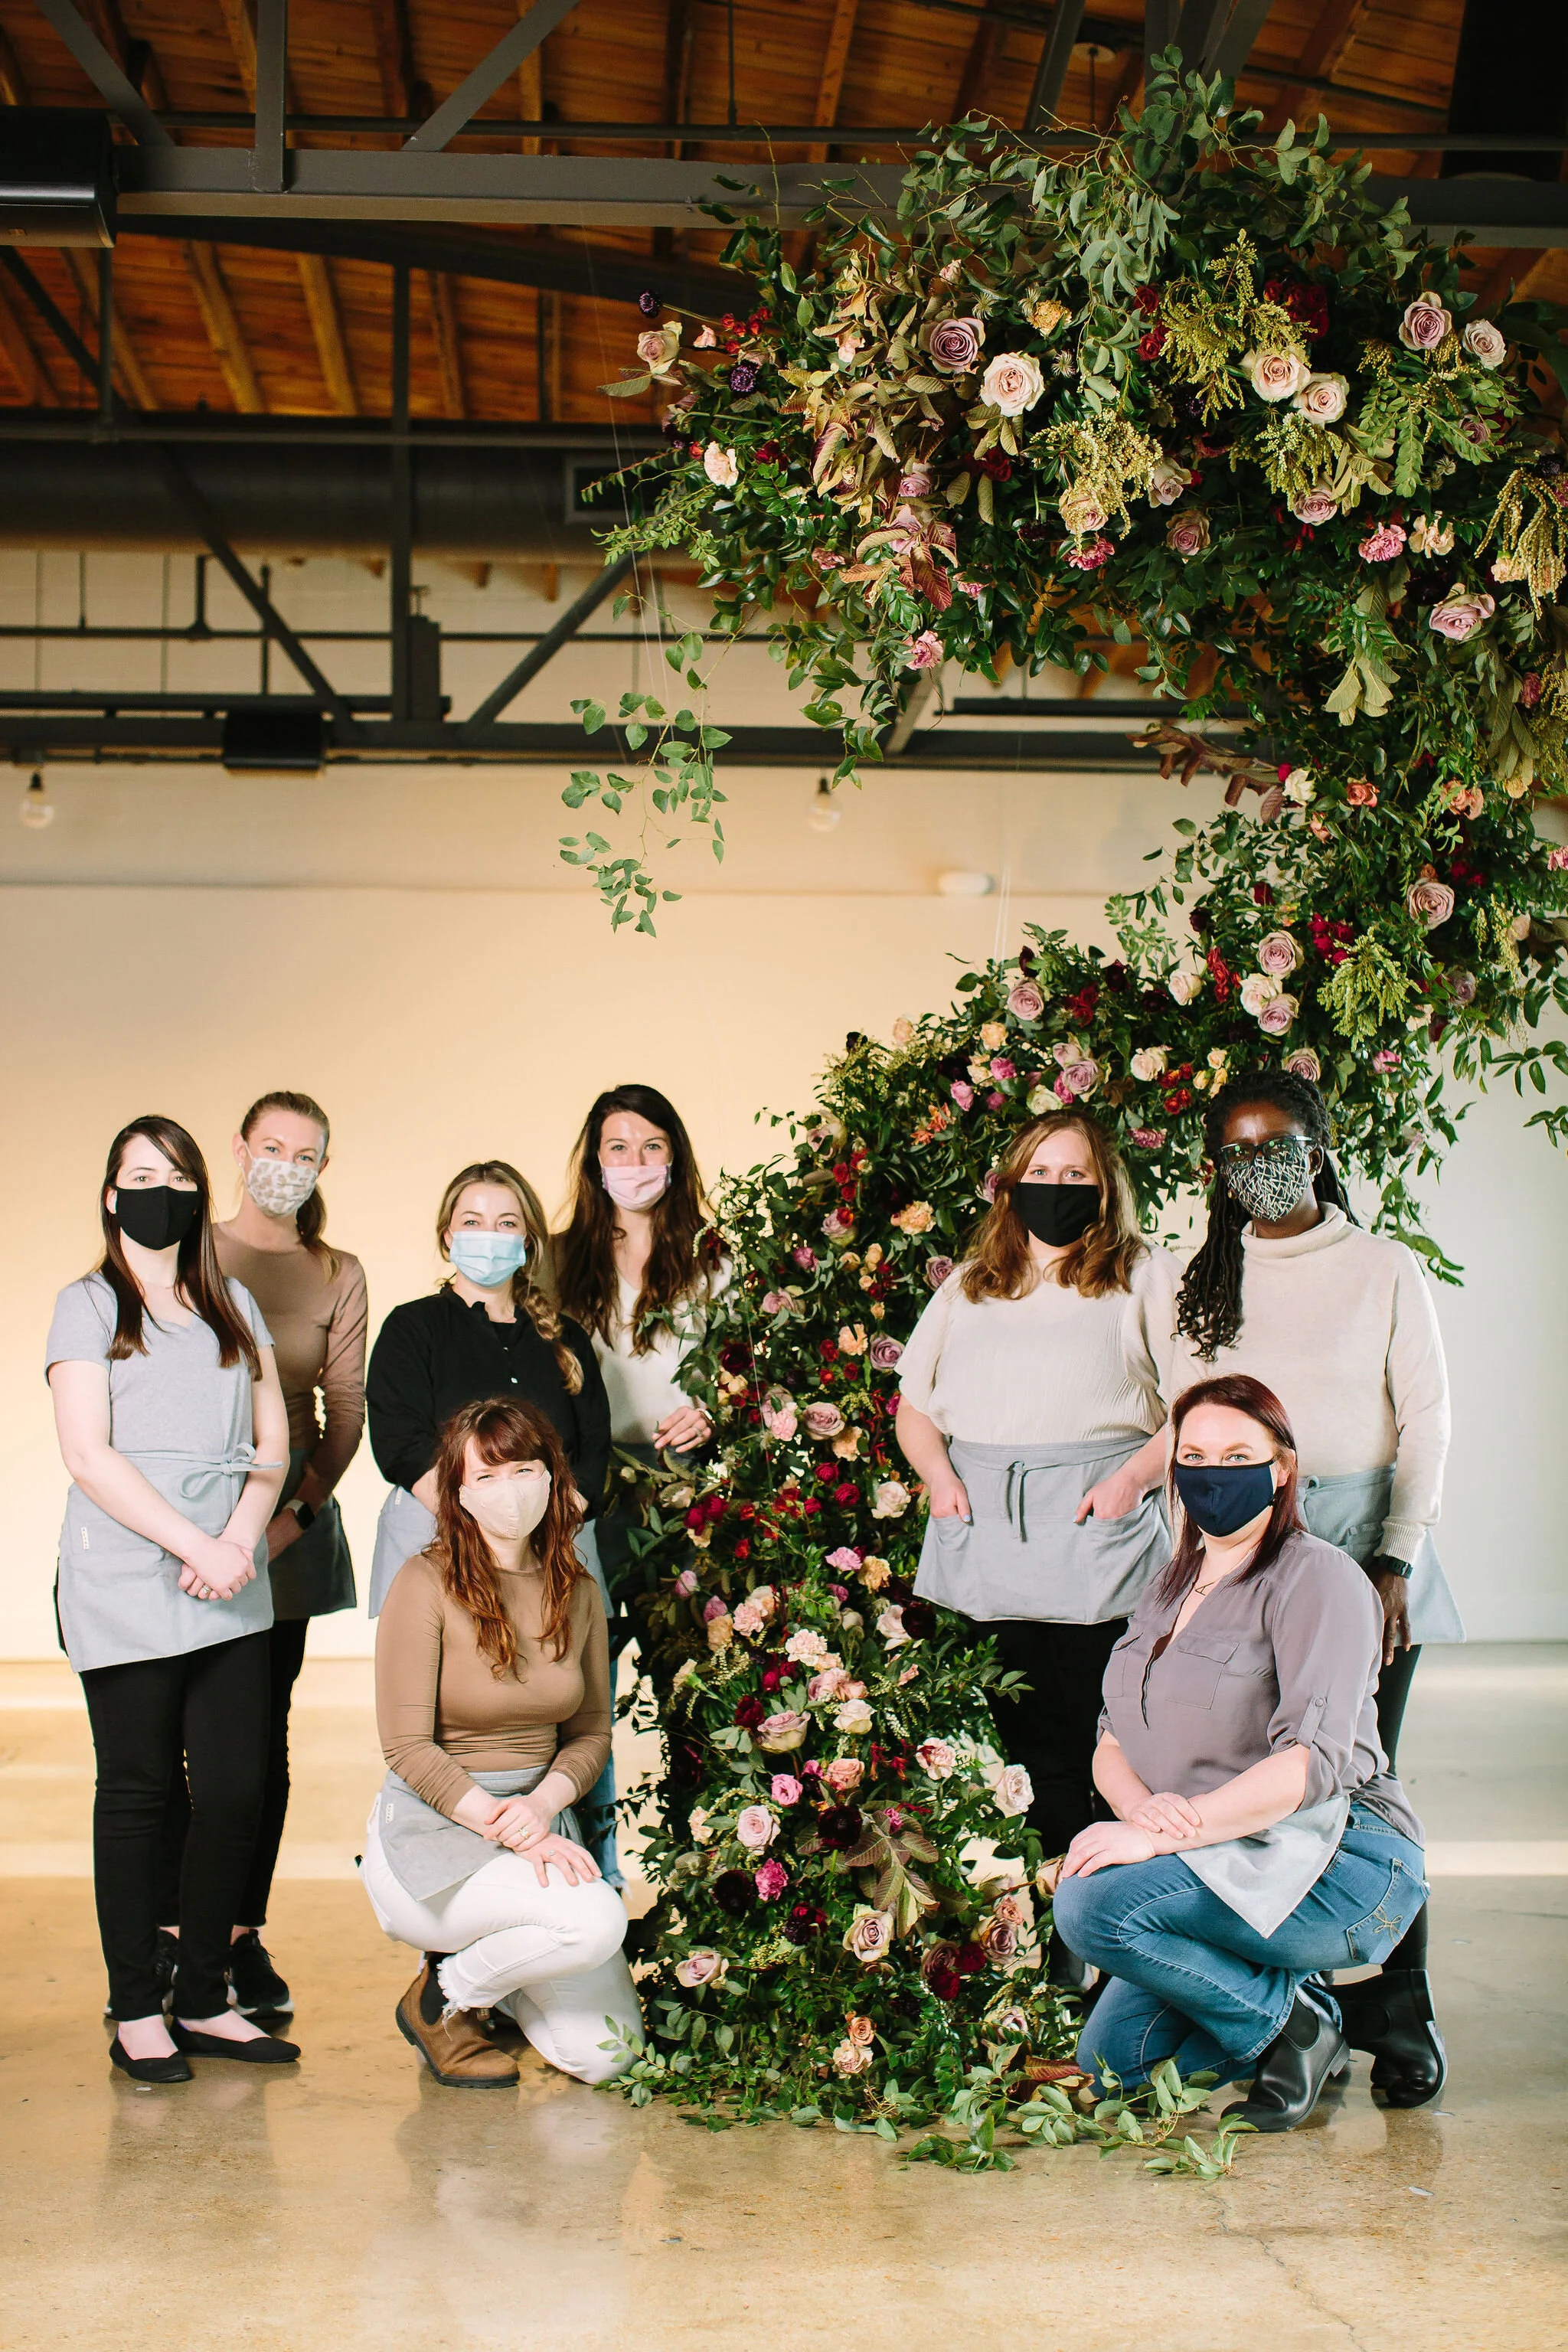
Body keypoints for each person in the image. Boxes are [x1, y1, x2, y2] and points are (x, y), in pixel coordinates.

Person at [1171, 1068, 1454, 2106]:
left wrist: (1396, 1560)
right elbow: (1182, 1423)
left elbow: (1427, 1423)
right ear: (1217, 1170)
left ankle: (1403, 1999)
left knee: (1362, 1775)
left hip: (1361, 1541)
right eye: (1238, 1152)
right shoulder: (1196, 1276)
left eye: (1279, 1142)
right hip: (1246, 1544)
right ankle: (1303, 2007)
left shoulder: (1386, 1269)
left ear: (1322, 1143)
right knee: (1264, 1778)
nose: (1262, 1166)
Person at [1054, 1375, 1429, 2133]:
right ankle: (1353, 2017)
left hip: (1337, 1857)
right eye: (1192, 1455)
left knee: (1090, 1905)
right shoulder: (1166, 1586)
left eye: (1235, 1456)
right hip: (1214, 1853)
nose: (1210, 1474)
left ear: (1281, 1468)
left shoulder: (1317, 1580)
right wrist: (1139, 1812)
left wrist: (1161, 1832)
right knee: (1112, 2070)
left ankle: (1296, 2029)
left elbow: (1309, 1766)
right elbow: (1110, 1736)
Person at [894, 1109, 1180, 1972]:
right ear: (1009, 1183)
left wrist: (1128, 1482)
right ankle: (1061, 1933)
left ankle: (1113, 1927)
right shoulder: (971, 1284)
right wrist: (940, 1479)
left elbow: (1194, 1407)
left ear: (1105, 1187)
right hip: (987, 1528)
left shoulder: (1141, 1275)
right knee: (1027, 1748)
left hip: (1097, 1522)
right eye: (1040, 1172)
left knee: (1104, 1739)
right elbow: (913, 1406)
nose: (1055, 1189)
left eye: (1075, 1175)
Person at [47, 1116, 299, 2082]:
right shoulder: (85, 1305)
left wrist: (238, 1538)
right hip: (127, 1572)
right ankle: (134, 2007)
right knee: (141, 1794)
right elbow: (86, 1453)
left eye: (178, 1175)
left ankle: (203, 1995)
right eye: (141, 1175)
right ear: (111, 1196)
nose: (162, 1191)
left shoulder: (230, 1300)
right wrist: (194, 1542)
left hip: (230, 1571)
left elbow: (271, 1436)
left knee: (233, 1792)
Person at [157, 1089, 368, 2021]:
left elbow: (347, 1413)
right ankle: (170, 1935)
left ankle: (239, 1935)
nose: (286, 1163)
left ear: (323, 1167)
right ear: (240, 1150)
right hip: (178, 1529)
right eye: (272, 1146)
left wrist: (293, 1519)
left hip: (283, 1534)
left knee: (254, 1748)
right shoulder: (188, 1245)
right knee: (167, 1743)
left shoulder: (336, 1272)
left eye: (306, 1153)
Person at [359, 1397, 642, 2089]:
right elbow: (406, 1747)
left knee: (608, 2057)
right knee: (596, 1921)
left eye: (521, 1469)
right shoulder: (423, 1583)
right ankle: (443, 1994)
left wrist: (543, 1809)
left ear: (552, 1477)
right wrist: (515, 1831)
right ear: (457, 1495)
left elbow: (589, 1733)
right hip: (438, 1837)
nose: (507, 1492)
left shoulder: (575, 1589)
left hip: (537, 1822)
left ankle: (503, 1971)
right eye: (484, 1478)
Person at [552, 1085, 724, 1880]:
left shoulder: (714, 1257)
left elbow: (748, 1374)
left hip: (681, 1494)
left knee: (686, 1684)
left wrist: (715, 1413)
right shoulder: (555, 1261)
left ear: (675, 1155)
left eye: (651, 1145)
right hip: (581, 1494)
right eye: (617, 1147)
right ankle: (594, 1878)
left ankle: (695, 1863)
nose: (634, 1163)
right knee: (579, 1696)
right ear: (593, 1159)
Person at [365, 1160, 611, 1622]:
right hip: (440, 1538)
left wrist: (551, 1528)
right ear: (448, 1236)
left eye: (507, 1223)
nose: (489, 1234)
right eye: (473, 1222)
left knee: (573, 1685)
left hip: (558, 1546)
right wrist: (485, 1530)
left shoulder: (567, 1338)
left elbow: (594, 1443)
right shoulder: (412, 1328)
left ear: (527, 1240)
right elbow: (401, 1441)